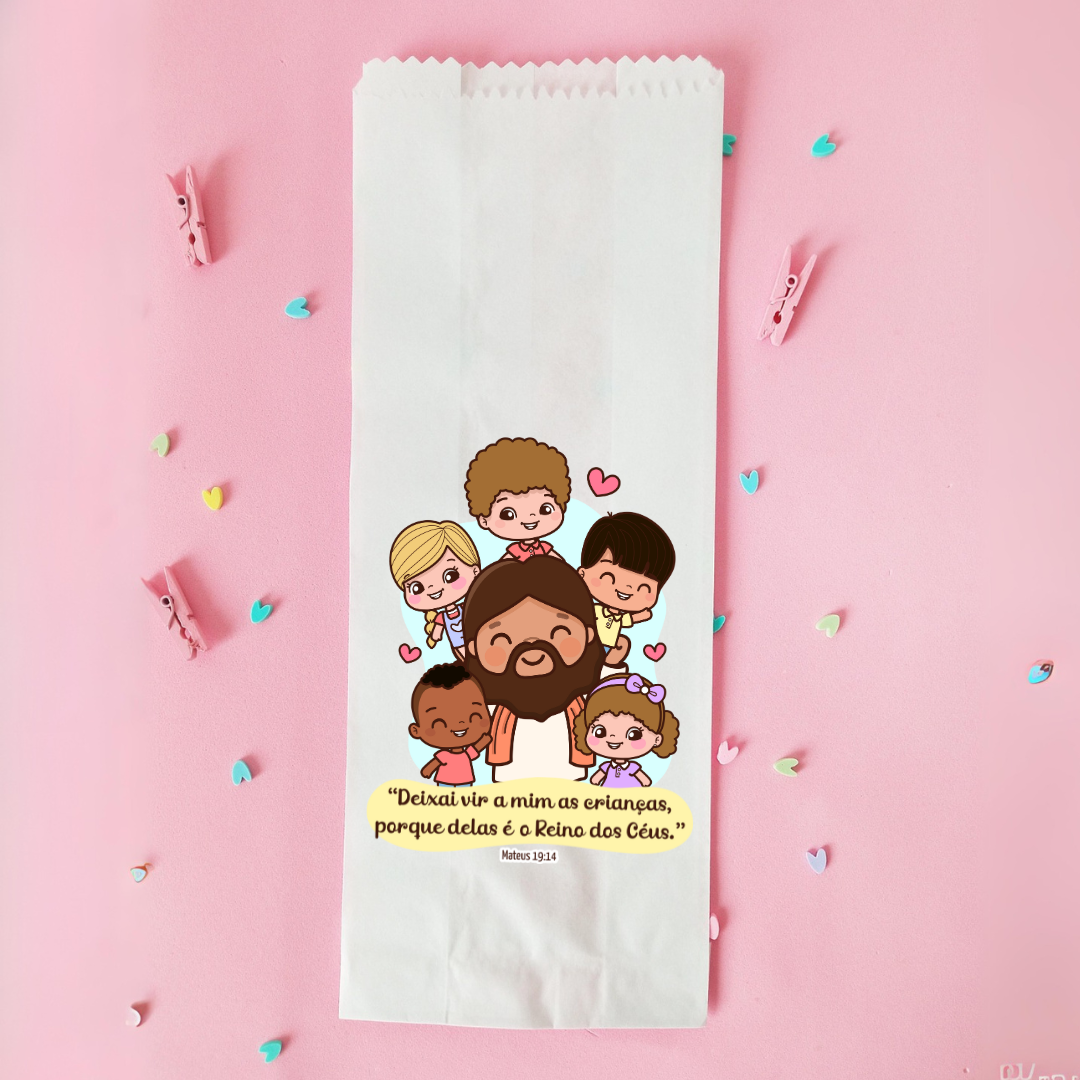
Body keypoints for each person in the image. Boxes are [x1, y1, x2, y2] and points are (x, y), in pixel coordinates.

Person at [462, 556, 628, 781]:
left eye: (558, 633)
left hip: (572, 783)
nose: (532, 648)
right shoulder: (479, 699)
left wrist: (612, 664)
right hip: (508, 784)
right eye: (502, 639)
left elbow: (610, 698)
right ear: (474, 649)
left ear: (589, 634)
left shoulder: (584, 697)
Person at [578, 511, 676, 664]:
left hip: (608, 646)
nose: (627, 586)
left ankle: (607, 667)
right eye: (610, 576)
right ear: (582, 573)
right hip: (587, 643)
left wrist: (641, 616)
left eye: (644, 586)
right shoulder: (592, 609)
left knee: (622, 643)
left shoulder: (619, 617)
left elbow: (628, 619)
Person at [464, 436, 571, 561]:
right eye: (508, 514)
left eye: (545, 509)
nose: (530, 517)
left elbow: (563, 566)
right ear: (483, 520)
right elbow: (502, 569)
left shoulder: (545, 549)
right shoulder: (513, 554)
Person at [389, 520, 481, 661]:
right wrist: (434, 637)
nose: (433, 589)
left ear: (475, 571)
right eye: (417, 587)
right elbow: (437, 632)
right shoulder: (441, 617)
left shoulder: (468, 607)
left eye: (450, 575)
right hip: (459, 645)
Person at [575, 673, 679, 788]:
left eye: (633, 734)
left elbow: (646, 782)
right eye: (600, 732)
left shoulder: (633, 768)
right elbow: (595, 780)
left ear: (657, 739)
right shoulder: (606, 767)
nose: (613, 738)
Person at [409, 663, 492, 787]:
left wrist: (484, 741)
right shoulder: (444, 755)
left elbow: (475, 749)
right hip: (445, 783)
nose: (460, 723)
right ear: (416, 730)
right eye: (440, 721)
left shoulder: (465, 754)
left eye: (474, 715)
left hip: (466, 782)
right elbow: (433, 764)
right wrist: (427, 770)